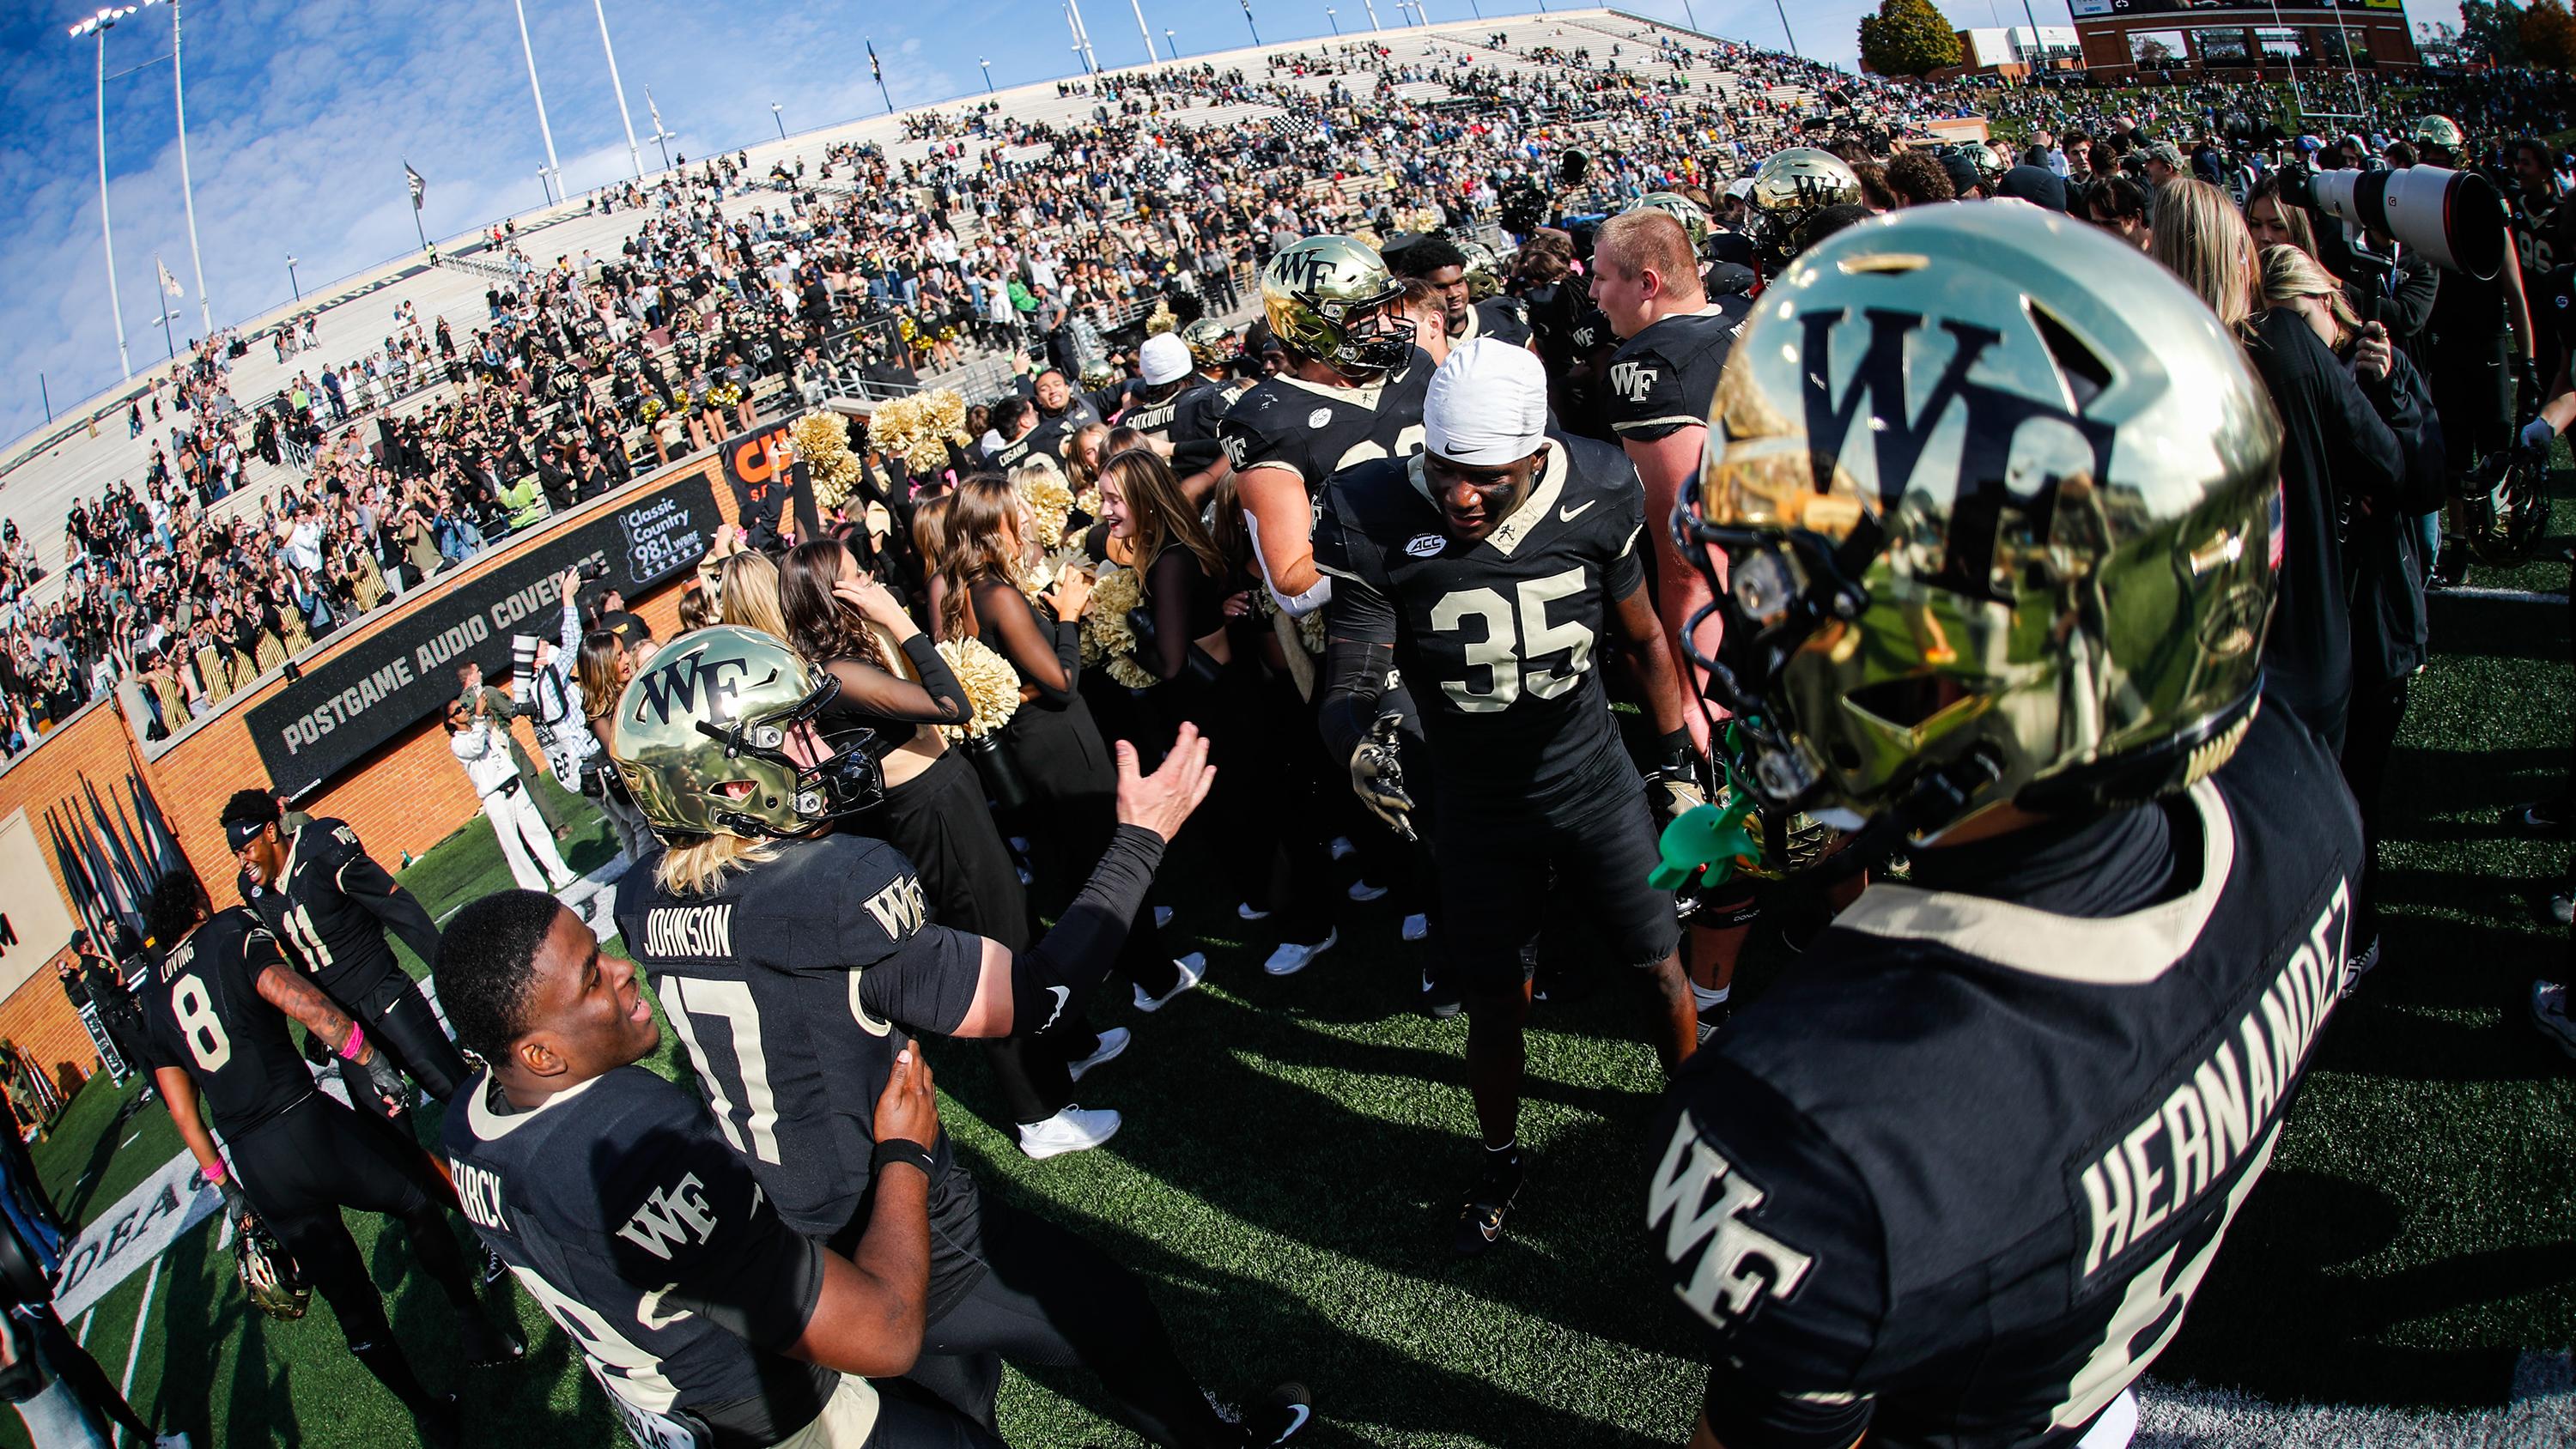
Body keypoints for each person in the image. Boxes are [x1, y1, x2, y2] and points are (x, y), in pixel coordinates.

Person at [1654, 199, 2354, 1449]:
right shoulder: (2299, 797)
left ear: (1969, 658)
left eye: (1800, 580)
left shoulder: (1820, 1127)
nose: (1755, 620)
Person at [606, 628, 1312, 1446]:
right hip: (880, 1206)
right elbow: (1038, 1000)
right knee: (1106, 1308)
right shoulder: (833, 889)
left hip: (781, 1213)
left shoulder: (643, 895)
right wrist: (1139, 841)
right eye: (791, 735)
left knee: (959, 1406)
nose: (821, 747)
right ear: (727, 781)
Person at [1313, 339, 1701, 1255]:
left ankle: (1699, 1121)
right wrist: (1360, 740)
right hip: (1478, 805)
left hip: (1594, 782)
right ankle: (1500, 1159)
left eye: (1486, 476)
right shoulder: (1371, 509)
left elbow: (1645, 638)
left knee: (1659, 967)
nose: (1460, 496)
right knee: (1497, 1003)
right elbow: (1351, 671)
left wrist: (1678, 758)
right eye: (1445, 469)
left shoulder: (1597, 484)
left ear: (1536, 453)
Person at [436, 891, 1007, 1449]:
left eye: (600, 950)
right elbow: (886, 1332)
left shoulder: (470, 1120)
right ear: (540, 1055)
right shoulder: (629, 1145)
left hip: (665, 1404)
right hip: (780, 1416)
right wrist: (906, 1153)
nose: (623, 969)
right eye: (592, 979)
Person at [134, 873, 519, 1449]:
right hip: (305, 1122)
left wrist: (228, 1188)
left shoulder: (151, 999)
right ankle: (473, 1324)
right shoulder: (228, 931)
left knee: (350, 1304)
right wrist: (367, 1056)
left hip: (256, 1163)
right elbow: (293, 993)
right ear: (197, 904)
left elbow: (182, 1110)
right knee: (416, 1198)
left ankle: (425, 1413)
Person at [775, 539, 1124, 1158]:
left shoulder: (850, 653)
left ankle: (1070, 1044)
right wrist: (901, 620)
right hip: (930, 814)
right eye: (857, 577)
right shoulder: (835, 671)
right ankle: (1038, 1114)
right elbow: (949, 705)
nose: (873, 581)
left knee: (1019, 926)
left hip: (947, 796)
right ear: (831, 595)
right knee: (994, 950)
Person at [222, 789, 471, 1103]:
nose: (243, 862)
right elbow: (298, 958)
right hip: (341, 1024)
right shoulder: (252, 890)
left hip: (383, 995)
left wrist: (447, 970)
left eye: (246, 849)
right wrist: (314, 1022)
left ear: (271, 832)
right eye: (237, 854)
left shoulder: (322, 847)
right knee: (384, 1124)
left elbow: (393, 904)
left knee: (456, 1091)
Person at [446, 688, 586, 901]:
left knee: (538, 831)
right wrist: (480, 717)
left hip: (514, 784)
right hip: (495, 796)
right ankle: (535, 890)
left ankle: (561, 875)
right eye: (458, 711)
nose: (463, 710)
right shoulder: (458, 743)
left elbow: (500, 742)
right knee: (514, 847)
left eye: (463, 707)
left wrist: (487, 720)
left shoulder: (479, 726)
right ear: (451, 721)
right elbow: (474, 748)